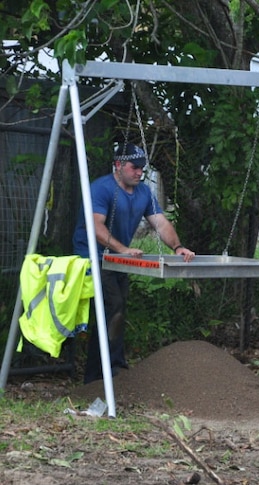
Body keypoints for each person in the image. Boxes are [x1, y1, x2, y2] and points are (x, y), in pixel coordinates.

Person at [72, 142, 195, 384]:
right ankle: (98, 375)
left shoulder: (144, 193)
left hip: (118, 259)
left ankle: (114, 367)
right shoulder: (101, 189)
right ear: (118, 165)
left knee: (119, 307)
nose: (139, 172)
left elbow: (160, 223)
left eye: (142, 168)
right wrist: (123, 249)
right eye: (134, 167)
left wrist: (178, 247)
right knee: (113, 306)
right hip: (94, 256)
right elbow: (94, 226)